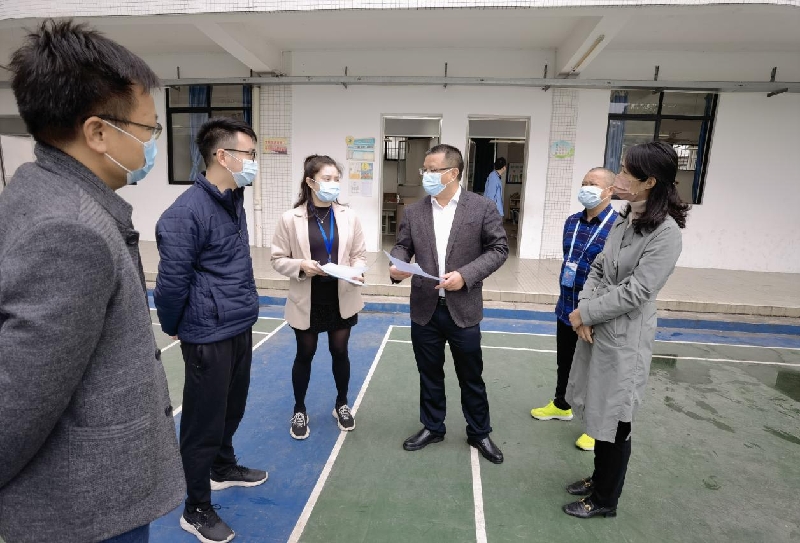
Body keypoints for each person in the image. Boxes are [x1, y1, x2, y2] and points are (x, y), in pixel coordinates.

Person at [0, 20, 184, 543]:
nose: (151, 144)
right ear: (99, 132)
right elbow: (18, 401)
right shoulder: (71, 230)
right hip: (84, 509)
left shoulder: (39, 189)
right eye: (149, 130)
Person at [562, 141, 688, 518]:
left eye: (624, 172)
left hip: (625, 338)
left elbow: (638, 291)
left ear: (649, 181)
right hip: (599, 326)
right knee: (597, 408)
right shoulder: (625, 216)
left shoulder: (666, 233)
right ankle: (598, 478)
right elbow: (600, 267)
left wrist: (587, 313)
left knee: (616, 417)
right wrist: (585, 310)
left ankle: (605, 500)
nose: (617, 177)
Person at [154, 117, 265, 543]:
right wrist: (175, 325)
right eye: (249, 154)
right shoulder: (184, 213)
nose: (253, 161)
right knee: (203, 422)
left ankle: (223, 466)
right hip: (207, 332)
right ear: (223, 156)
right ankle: (196, 507)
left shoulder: (233, 198)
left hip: (238, 323)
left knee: (232, 407)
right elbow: (171, 284)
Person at [390, 144, 509, 464]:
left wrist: (466, 275)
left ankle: (479, 432)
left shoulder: (481, 207)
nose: (425, 175)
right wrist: (397, 265)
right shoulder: (414, 211)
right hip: (425, 308)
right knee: (429, 373)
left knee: (471, 376)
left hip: (463, 308)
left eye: (432, 170)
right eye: (424, 170)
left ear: (453, 173)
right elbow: (402, 246)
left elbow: (498, 249)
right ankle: (433, 427)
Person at [271, 155, 366, 440]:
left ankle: (342, 404)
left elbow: (359, 254)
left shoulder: (349, 216)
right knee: (305, 353)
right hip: (307, 298)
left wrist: (356, 270)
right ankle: (299, 408)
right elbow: (277, 259)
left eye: (336, 179)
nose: (333, 183)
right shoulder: (290, 218)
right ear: (311, 182)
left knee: (340, 351)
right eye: (327, 178)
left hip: (341, 296)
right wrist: (301, 265)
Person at [530, 167, 618, 452]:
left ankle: (596, 426)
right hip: (566, 306)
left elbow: (613, 278)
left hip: (595, 314)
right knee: (565, 361)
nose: (586, 188)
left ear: (610, 191)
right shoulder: (571, 222)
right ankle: (561, 404)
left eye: (593, 184)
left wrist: (590, 314)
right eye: (584, 183)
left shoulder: (619, 227)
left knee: (595, 370)